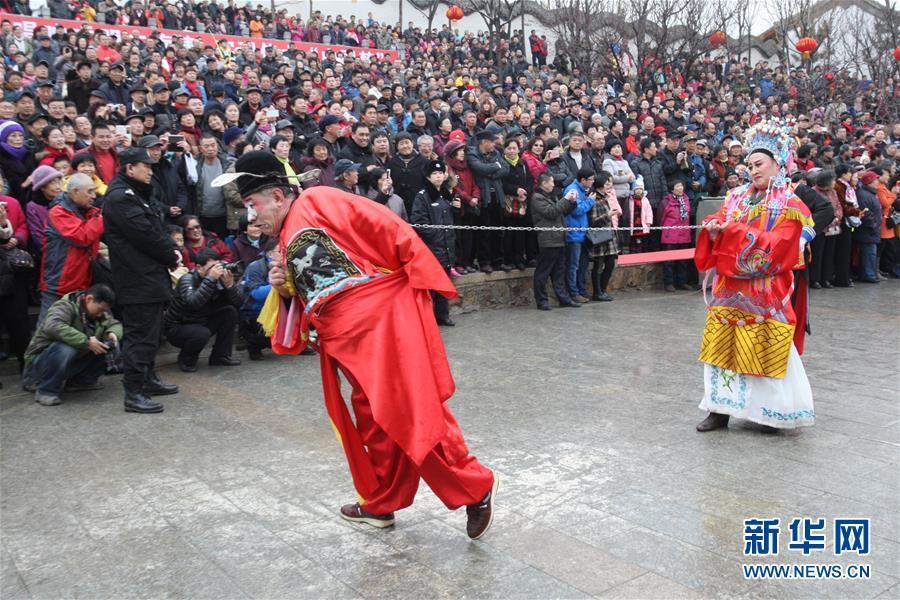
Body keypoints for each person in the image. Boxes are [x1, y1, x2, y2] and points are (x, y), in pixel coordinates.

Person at [229, 151, 497, 539]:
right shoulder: (286, 236)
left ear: (276, 195)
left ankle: (475, 486)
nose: (251, 216)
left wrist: (412, 277)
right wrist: (283, 285)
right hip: (346, 339)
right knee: (374, 419)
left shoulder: (319, 200)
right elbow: (315, 290)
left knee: (409, 412)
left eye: (253, 205)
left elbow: (384, 225)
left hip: (378, 327)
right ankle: (381, 502)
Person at [694, 119, 816, 433]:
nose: (753, 170)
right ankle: (719, 410)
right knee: (720, 350)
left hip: (766, 293)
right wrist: (714, 227)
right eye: (749, 165)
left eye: (759, 164)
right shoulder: (734, 197)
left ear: (778, 164)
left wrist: (732, 231)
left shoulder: (791, 205)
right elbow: (720, 219)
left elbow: (780, 250)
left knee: (764, 349)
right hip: (728, 291)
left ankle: (768, 413)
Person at [102, 146, 181, 414]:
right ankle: (133, 392)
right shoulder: (121, 198)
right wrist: (171, 255)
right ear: (129, 168)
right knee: (140, 336)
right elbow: (145, 234)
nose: (150, 170)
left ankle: (147, 379)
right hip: (137, 278)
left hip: (148, 275)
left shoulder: (136, 193)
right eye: (145, 166)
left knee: (152, 333)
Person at [21, 284, 122, 407]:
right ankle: (46, 390)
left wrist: (112, 333)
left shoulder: (98, 313)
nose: (101, 314)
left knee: (110, 346)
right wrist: (87, 342)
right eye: (100, 310)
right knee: (66, 348)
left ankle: (81, 382)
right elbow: (53, 326)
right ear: (89, 299)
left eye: (104, 311)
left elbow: (114, 323)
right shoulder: (64, 306)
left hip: (70, 360)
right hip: (38, 364)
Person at [164, 248, 243, 372]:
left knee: (230, 312)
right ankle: (186, 359)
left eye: (218, 265)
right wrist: (210, 279)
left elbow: (238, 303)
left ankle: (220, 356)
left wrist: (230, 286)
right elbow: (193, 303)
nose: (217, 270)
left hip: (202, 320)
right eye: (212, 267)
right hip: (178, 327)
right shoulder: (187, 280)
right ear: (199, 267)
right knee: (201, 333)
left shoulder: (219, 279)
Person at [38, 172, 102, 321]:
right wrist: (101, 219)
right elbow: (82, 237)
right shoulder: (58, 211)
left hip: (81, 282)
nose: (94, 196)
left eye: (94, 191)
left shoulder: (87, 211)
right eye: (89, 191)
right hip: (58, 284)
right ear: (74, 192)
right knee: (46, 332)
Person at [410, 159, 459, 326]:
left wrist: (457, 210)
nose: (438, 177)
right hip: (432, 247)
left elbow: (453, 219)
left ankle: (443, 315)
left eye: (440, 173)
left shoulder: (446, 194)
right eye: (435, 174)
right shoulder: (422, 197)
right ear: (428, 177)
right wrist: (436, 233)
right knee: (431, 285)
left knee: (444, 283)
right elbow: (418, 222)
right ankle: (429, 316)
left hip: (447, 246)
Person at [530, 172, 579, 310]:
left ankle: (563, 298)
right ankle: (542, 300)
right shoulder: (537, 198)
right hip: (548, 240)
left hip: (559, 238)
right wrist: (565, 199)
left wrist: (572, 202)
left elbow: (561, 212)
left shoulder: (551, 196)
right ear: (544, 183)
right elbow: (551, 212)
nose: (553, 184)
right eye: (551, 182)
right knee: (543, 272)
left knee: (559, 271)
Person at [562, 168, 595, 303]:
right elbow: (577, 210)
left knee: (583, 264)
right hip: (573, 233)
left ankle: (581, 290)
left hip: (582, 233)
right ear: (583, 180)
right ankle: (573, 292)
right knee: (573, 265)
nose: (593, 182)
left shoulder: (583, 191)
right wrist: (590, 201)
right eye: (591, 179)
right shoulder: (573, 190)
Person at [588, 171, 621, 301]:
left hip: (609, 235)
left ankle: (603, 289)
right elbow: (593, 221)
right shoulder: (594, 198)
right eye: (607, 183)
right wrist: (608, 215)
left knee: (610, 264)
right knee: (598, 266)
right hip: (599, 237)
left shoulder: (605, 197)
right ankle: (597, 292)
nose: (609, 185)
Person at [656, 180, 693, 292]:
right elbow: (660, 218)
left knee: (683, 261)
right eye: (677, 186)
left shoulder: (686, 200)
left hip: (684, 233)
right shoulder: (665, 202)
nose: (680, 188)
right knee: (669, 261)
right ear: (672, 189)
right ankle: (669, 283)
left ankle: (682, 282)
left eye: (681, 185)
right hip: (670, 235)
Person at [854, 171, 883, 283]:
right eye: (875, 180)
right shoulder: (864, 195)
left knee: (870, 253)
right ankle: (868, 274)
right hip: (868, 231)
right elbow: (865, 213)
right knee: (869, 253)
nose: (877, 182)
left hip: (871, 230)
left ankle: (869, 273)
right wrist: (874, 225)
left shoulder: (869, 193)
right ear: (869, 182)